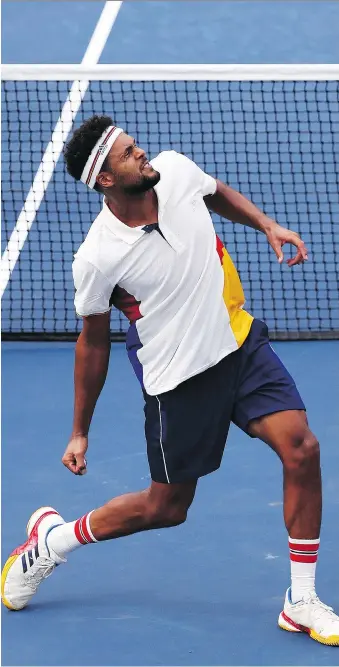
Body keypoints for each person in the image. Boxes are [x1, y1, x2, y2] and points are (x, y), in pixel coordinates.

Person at [2, 115, 338, 645]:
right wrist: (79, 430)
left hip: (237, 342)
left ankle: (301, 600)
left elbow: (216, 192)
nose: (143, 155)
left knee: (303, 449)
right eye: (128, 154)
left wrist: (266, 224)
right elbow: (92, 342)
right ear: (107, 180)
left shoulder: (175, 172)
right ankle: (55, 540)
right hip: (178, 377)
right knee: (166, 508)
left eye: (136, 145)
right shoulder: (97, 257)